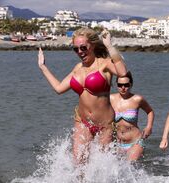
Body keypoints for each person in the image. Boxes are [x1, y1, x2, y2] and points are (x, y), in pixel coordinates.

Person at [38, 27, 127, 165]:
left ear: (92, 46)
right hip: (83, 122)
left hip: (105, 124)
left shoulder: (104, 64)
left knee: (101, 167)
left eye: (83, 47)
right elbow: (59, 88)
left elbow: (122, 73)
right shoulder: (77, 68)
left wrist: (109, 46)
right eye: (76, 49)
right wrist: (43, 67)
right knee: (79, 164)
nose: (80, 52)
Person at [110, 71, 154, 161]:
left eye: (126, 85)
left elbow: (150, 111)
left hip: (135, 142)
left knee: (130, 166)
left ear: (131, 84)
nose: (123, 88)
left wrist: (149, 126)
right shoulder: (110, 98)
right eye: (120, 85)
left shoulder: (137, 99)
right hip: (118, 144)